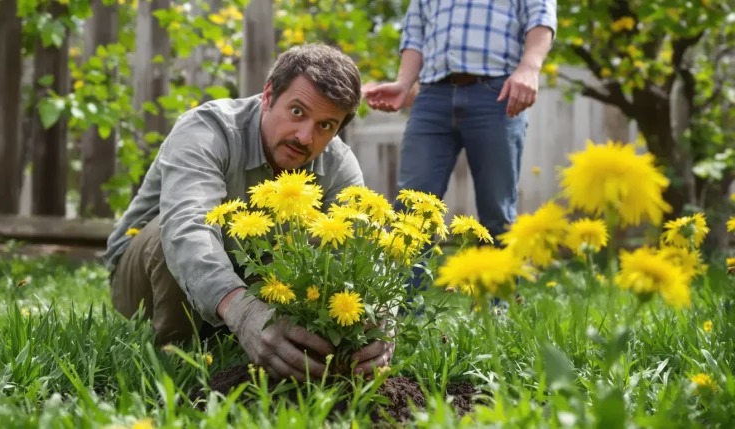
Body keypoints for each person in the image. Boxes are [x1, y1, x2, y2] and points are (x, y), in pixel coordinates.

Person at [103, 44, 394, 382]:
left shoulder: (338, 165)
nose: (305, 137)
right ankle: (176, 363)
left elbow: (364, 249)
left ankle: (275, 356)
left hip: (249, 282)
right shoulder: (208, 131)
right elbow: (188, 229)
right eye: (297, 112)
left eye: (326, 126)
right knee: (171, 234)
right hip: (146, 280)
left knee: (324, 256)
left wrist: (383, 320)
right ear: (269, 95)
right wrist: (242, 314)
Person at [362, 0, 557, 301]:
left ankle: (496, 313)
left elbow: (540, 15)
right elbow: (415, 33)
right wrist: (403, 83)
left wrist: (530, 67)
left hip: (497, 92)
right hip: (431, 96)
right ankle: (400, 319)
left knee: (497, 213)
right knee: (412, 210)